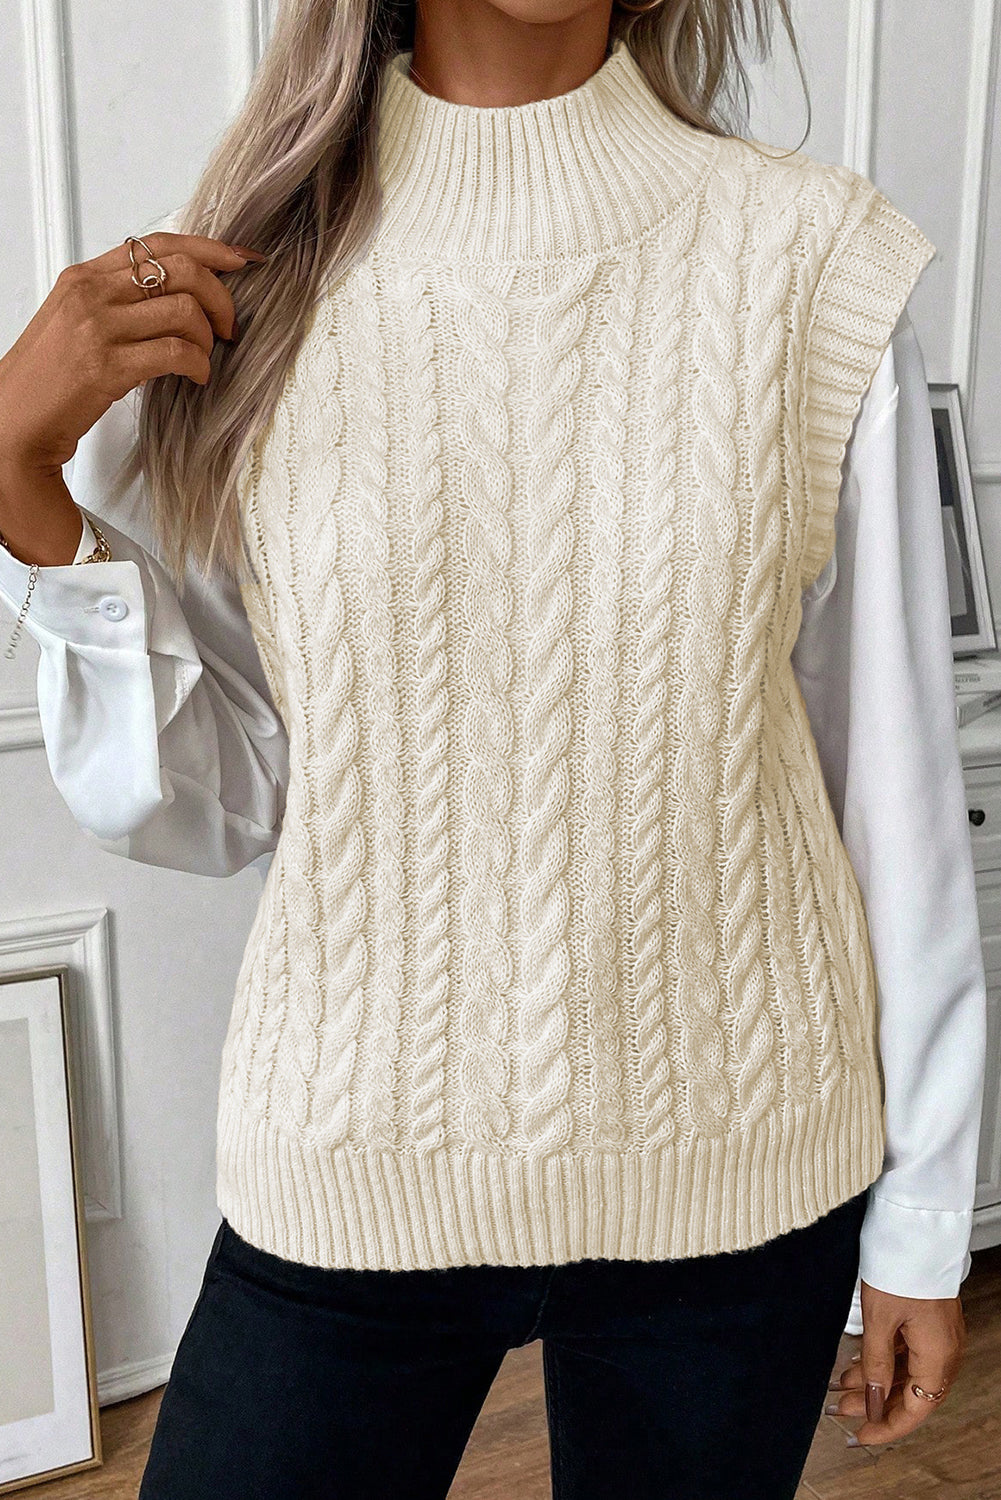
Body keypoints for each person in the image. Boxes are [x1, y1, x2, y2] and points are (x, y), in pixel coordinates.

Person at [0, 0, 987, 1495]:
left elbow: (893, 791)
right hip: (353, 1147)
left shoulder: (812, 266)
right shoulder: (251, 290)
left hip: (737, 1166)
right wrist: (20, 481)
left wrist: (921, 1218)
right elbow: (222, 797)